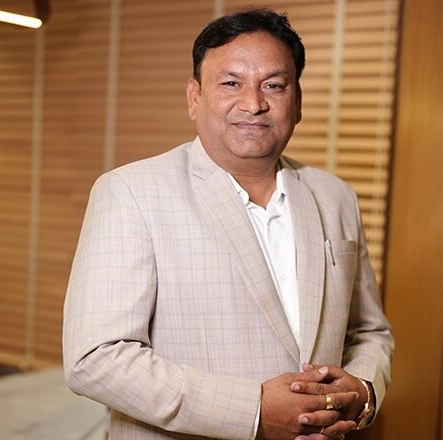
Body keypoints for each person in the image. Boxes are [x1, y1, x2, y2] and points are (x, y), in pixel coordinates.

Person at [63, 8, 393, 440]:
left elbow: (369, 331)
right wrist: (254, 411)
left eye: (274, 85)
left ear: (297, 101)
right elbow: (95, 358)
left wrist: (363, 392)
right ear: (194, 97)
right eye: (231, 83)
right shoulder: (130, 192)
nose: (254, 104)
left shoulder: (336, 196)